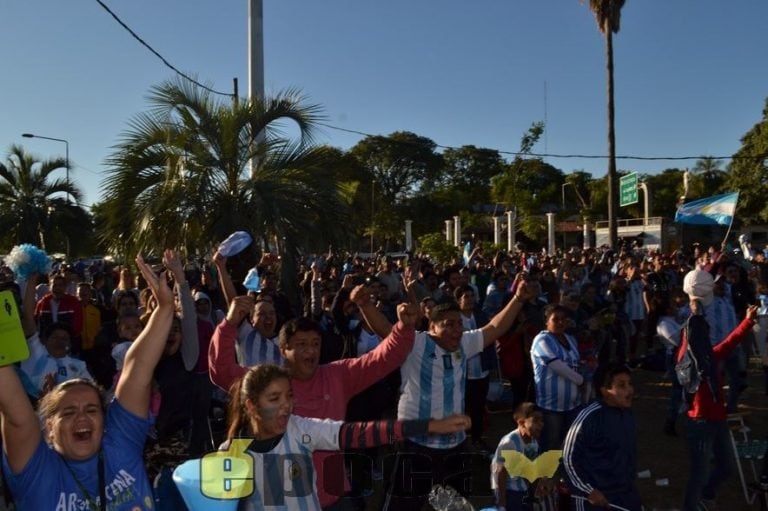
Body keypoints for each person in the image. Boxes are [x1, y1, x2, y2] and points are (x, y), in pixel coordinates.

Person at [209, 284, 419, 510]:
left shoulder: (338, 375)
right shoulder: (266, 383)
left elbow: (384, 358)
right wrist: (229, 324)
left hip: (335, 495)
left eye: (315, 344)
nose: (310, 352)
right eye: (301, 345)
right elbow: (221, 372)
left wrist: (404, 327)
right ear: (283, 350)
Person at [1, 251, 176, 509]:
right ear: (47, 427)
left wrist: (164, 309)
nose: (82, 417)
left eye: (92, 409)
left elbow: (137, 369)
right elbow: (16, 416)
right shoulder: (36, 471)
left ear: (105, 421)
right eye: (68, 411)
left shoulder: (120, 442)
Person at [223, 363, 469, 511]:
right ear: (252, 406)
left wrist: (430, 425)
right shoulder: (231, 455)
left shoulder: (300, 430)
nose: (286, 406)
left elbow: (359, 434)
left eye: (289, 396)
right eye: (274, 399)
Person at [384, 281, 531, 511]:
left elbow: (495, 328)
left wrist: (518, 299)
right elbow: (383, 329)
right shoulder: (416, 343)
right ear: (431, 327)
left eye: (459, 324)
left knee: (455, 506)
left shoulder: (464, 343)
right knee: (404, 505)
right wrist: (364, 304)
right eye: (449, 324)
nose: (457, 329)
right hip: (416, 444)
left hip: (455, 445)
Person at [679, 268, 758, 510]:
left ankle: (706, 496)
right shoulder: (691, 351)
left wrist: (745, 323)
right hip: (701, 419)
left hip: (716, 415)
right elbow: (721, 348)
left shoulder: (701, 347)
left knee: (726, 467)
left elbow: (721, 348)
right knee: (699, 474)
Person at [563, 363, 641, 510]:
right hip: (595, 498)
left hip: (625, 492)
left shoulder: (627, 413)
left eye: (630, 384)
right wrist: (588, 491)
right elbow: (568, 459)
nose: (629, 390)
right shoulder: (589, 417)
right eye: (622, 385)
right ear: (605, 391)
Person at [530, 304, 583, 451]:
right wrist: (581, 380)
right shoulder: (542, 340)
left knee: (568, 442)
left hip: (572, 404)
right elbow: (557, 366)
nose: (560, 322)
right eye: (556, 319)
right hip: (551, 407)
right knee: (550, 444)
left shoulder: (571, 339)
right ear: (546, 321)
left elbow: (576, 363)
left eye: (563, 319)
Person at [491, 402, 552, 511]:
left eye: (541, 420)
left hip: (522, 489)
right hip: (509, 490)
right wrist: (502, 503)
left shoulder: (533, 442)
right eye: (536, 421)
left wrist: (539, 488)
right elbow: (501, 473)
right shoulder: (510, 442)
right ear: (522, 423)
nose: (541, 424)